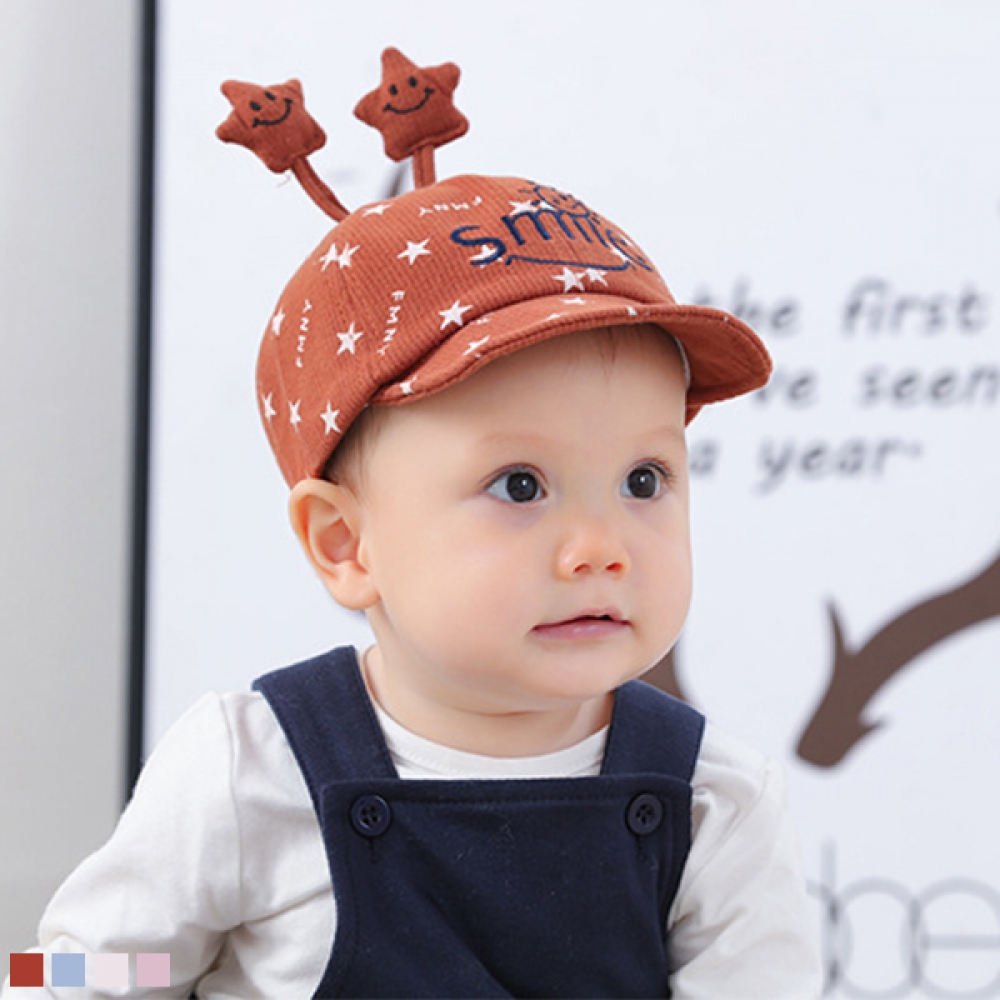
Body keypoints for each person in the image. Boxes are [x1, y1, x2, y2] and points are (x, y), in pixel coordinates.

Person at [5, 48, 822, 999]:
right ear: (344, 543)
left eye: (645, 479)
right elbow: (74, 967)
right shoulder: (249, 770)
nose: (599, 548)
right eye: (520, 486)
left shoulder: (714, 804)